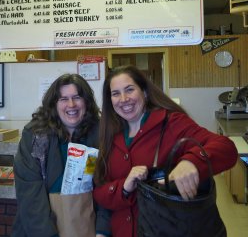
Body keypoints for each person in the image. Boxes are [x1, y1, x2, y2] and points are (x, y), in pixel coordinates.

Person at [93, 65, 238, 237]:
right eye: (115, 93)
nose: (123, 99)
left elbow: (226, 148)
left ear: (144, 93)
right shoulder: (110, 134)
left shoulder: (171, 123)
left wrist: (191, 162)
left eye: (129, 90)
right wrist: (124, 187)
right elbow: (100, 192)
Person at [12, 73, 110, 237]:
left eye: (77, 97)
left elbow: (106, 186)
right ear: (54, 105)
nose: (71, 104)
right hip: (41, 230)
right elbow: (30, 195)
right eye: (63, 99)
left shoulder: (100, 134)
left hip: (87, 227)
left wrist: (103, 230)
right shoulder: (36, 136)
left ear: (86, 102)